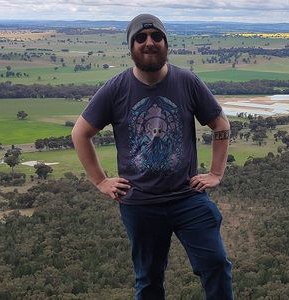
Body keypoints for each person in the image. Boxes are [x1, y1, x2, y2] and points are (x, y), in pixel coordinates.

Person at [71, 13, 233, 300]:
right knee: (148, 281)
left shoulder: (187, 81)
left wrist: (216, 173)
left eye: (156, 36)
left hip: (187, 197)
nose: (149, 43)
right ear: (131, 46)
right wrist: (100, 181)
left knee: (216, 264)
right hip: (140, 203)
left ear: (166, 43)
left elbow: (220, 124)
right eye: (140, 38)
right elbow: (80, 133)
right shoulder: (116, 88)